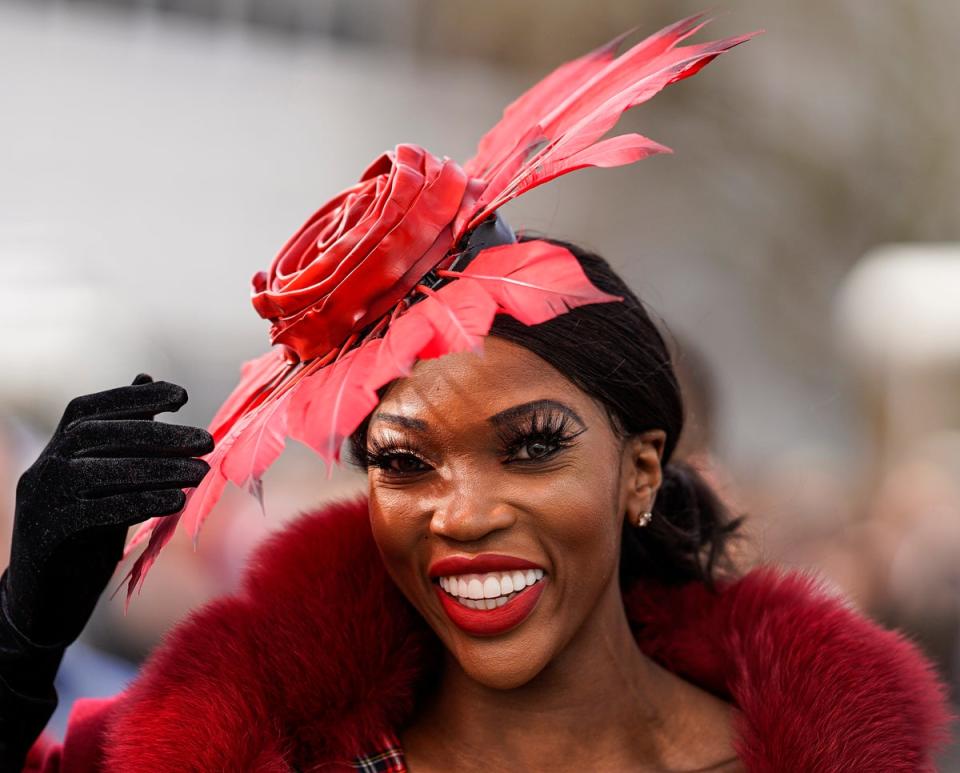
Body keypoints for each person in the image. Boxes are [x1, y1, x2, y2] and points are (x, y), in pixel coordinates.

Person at [1, 15, 952, 772]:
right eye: (405, 462)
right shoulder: (244, 747)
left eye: (533, 445)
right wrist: (20, 637)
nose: (462, 513)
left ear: (643, 469)